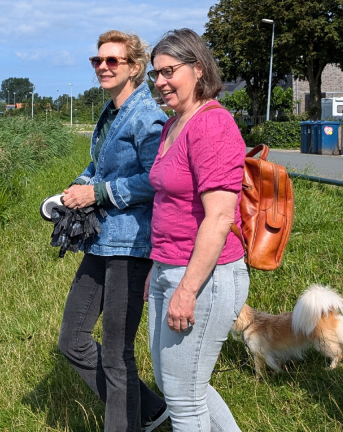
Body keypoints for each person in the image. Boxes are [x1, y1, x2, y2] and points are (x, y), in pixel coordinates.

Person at [57, 30, 170, 432]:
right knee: (72, 340)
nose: (102, 67)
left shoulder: (148, 117)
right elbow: (100, 168)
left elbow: (155, 179)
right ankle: (152, 409)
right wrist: (73, 190)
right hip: (101, 241)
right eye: (97, 61)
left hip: (130, 245)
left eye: (112, 61)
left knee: (117, 355)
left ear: (135, 68)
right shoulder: (110, 113)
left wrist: (98, 193)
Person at [145, 28, 249, 431]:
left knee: (184, 400)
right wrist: (159, 273)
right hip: (169, 268)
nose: (159, 82)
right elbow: (170, 204)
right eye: (155, 74)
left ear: (198, 69)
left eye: (169, 71)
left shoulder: (212, 125)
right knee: (183, 385)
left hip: (204, 278)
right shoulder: (174, 125)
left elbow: (220, 217)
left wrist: (186, 289)